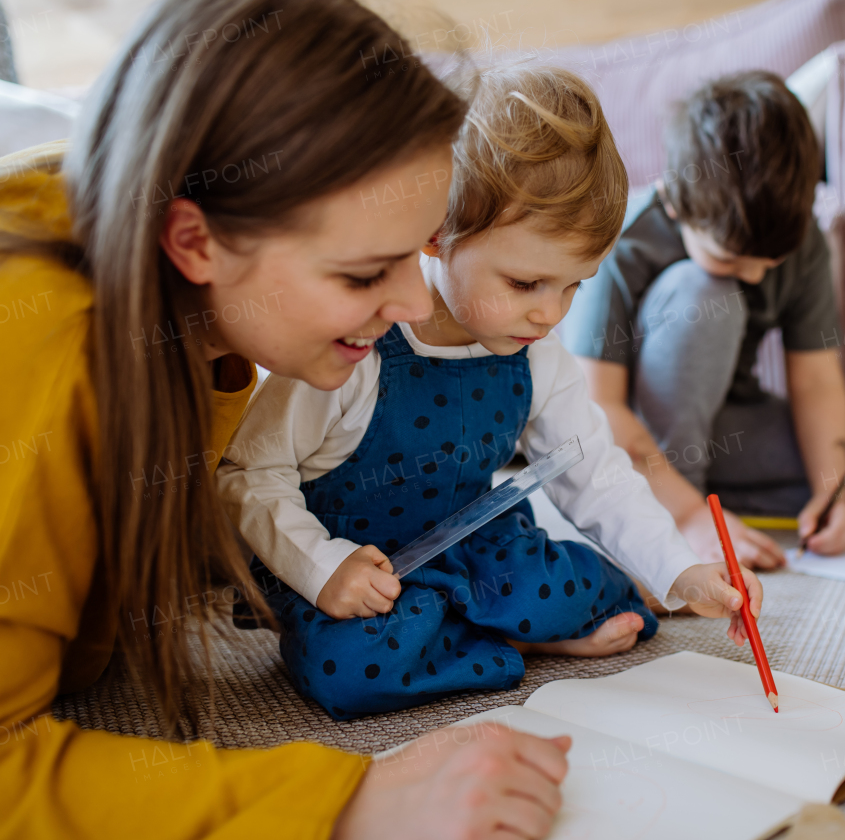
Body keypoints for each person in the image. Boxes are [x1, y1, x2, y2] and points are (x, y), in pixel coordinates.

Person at [0, 0, 579, 837]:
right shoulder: (25, 351)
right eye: (362, 275)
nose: (406, 303)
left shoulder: (185, 287)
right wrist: (348, 800)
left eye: (415, 254)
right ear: (195, 241)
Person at [216, 63, 764, 720]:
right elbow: (251, 471)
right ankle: (514, 640)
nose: (551, 313)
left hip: (476, 548)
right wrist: (319, 566)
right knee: (349, 668)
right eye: (527, 283)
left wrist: (682, 570)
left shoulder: (538, 354)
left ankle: (489, 630)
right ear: (435, 232)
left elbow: (595, 474)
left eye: (574, 285)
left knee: (598, 589)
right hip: (358, 571)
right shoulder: (356, 340)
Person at [558, 71, 845, 571]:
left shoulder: (801, 239)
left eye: (771, 262)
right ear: (675, 203)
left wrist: (829, 492)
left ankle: (702, 497)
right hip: (632, 431)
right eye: (730, 258)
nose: (752, 274)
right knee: (706, 294)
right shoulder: (624, 241)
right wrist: (688, 520)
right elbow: (597, 408)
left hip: (726, 424)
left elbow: (815, 381)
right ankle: (679, 504)